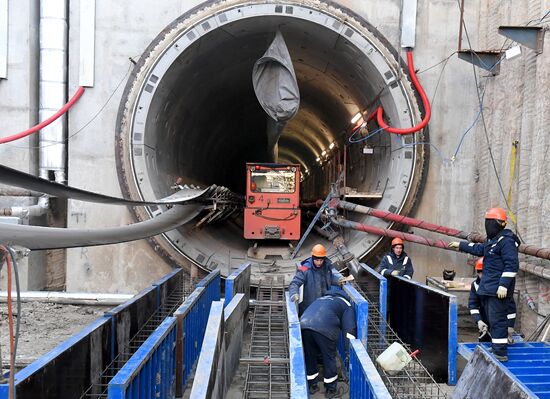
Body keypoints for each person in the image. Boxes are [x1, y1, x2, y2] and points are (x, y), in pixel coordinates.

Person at [449, 207, 520, 361]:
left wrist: (503, 285)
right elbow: (479, 248)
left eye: (489, 222)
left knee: (498, 320)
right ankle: (496, 348)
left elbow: (512, 265)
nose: (487, 225)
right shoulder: (492, 241)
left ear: (499, 224)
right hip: (488, 288)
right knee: (492, 320)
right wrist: (460, 245)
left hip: (498, 290)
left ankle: (500, 353)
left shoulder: (506, 241)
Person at [300, 287, 357, 398]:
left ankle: (312, 386)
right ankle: (331, 390)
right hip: (325, 328)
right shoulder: (346, 304)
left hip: (304, 324)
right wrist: (348, 351)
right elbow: (349, 330)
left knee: (310, 356)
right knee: (329, 357)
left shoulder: (321, 299)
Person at [470, 257, 517, 344]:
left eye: (485, 273)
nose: (482, 275)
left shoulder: (501, 287)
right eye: (480, 272)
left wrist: (510, 326)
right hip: (485, 323)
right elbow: (473, 305)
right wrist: (479, 321)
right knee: (484, 347)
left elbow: (511, 307)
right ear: (477, 272)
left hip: (500, 323)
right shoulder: (475, 285)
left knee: (500, 347)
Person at [289, 244, 340, 315]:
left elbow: (330, 278)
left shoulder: (326, 267)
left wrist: (339, 281)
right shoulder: (305, 268)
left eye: (321, 260)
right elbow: (295, 283)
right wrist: (294, 293)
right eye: (317, 260)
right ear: (313, 258)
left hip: (323, 303)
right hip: (309, 306)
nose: (319, 263)